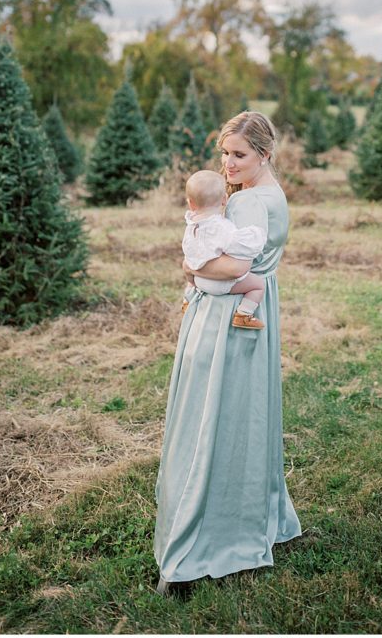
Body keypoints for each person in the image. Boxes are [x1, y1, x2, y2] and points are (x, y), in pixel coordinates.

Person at [154, 110, 302, 593]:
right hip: (254, 310)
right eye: (225, 153)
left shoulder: (245, 206)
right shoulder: (269, 193)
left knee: (214, 418)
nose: (228, 164)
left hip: (228, 318)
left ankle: (212, 533)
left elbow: (229, 264)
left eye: (239, 154)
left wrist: (189, 262)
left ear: (264, 152)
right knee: (244, 416)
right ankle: (251, 517)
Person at [181, 168, 267, 330]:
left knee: (189, 280)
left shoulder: (191, 224)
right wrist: (255, 235)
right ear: (224, 200)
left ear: (190, 204)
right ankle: (244, 314)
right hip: (218, 284)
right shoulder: (221, 227)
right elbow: (237, 244)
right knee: (258, 285)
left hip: (197, 281)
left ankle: (187, 300)